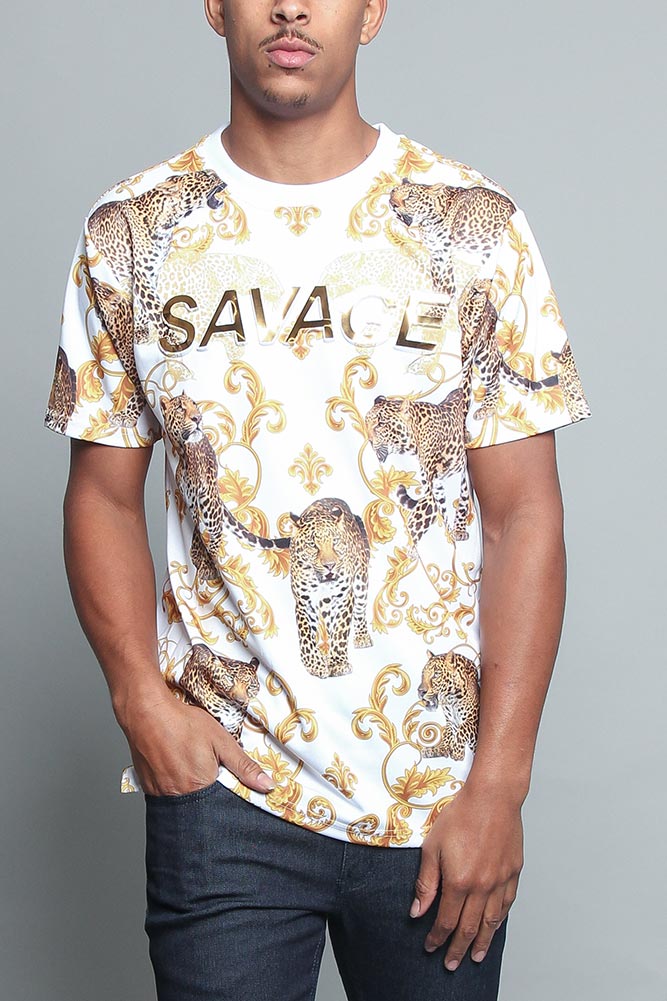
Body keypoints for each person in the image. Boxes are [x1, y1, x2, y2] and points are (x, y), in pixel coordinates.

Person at [42, 1, 592, 999]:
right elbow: (103, 496)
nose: (291, 7)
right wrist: (139, 699)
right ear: (214, 7)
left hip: (435, 794)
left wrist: (499, 786)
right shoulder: (130, 231)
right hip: (225, 793)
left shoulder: (475, 226)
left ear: (370, 12)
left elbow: (524, 515)